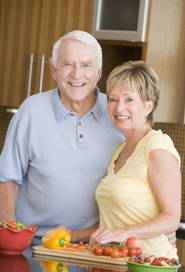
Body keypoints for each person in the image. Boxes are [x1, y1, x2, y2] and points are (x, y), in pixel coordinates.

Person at [0, 30, 124, 241]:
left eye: (86, 65)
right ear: (54, 70)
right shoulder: (31, 110)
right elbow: (7, 178)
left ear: (99, 72)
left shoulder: (117, 114)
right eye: (68, 64)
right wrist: (9, 235)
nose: (77, 74)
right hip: (33, 242)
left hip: (90, 245)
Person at [90, 61, 181, 258]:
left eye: (129, 99)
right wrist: (73, 234)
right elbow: (114, 224)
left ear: (149, 105)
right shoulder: (120, 150)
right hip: (118, 263)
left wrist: (124, 233)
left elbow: (171, 218)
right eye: (113, 99)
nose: (118, 107)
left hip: (150, 266)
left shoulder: (157, 146)